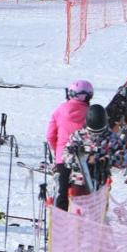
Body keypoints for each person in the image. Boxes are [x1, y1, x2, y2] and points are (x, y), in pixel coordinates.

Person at [62, 104, 127, 197]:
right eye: (93, 132)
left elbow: (124, 160)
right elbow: (65, 156)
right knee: (78, 207)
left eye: (99, 132)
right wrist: (82, 160)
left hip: (101, 182)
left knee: (98, 209)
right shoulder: (78, 136)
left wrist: (106, 160)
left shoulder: (112, 138)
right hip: (79, 181)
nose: (95, 135)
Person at [46, 80, 93, 210]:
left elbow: (50, 135)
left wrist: (58, 151)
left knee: (62, 190)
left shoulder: (60, 110)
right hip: (84, 158)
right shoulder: (90, 113)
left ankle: (60, 222)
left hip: (63, 156)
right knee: (84, 190)